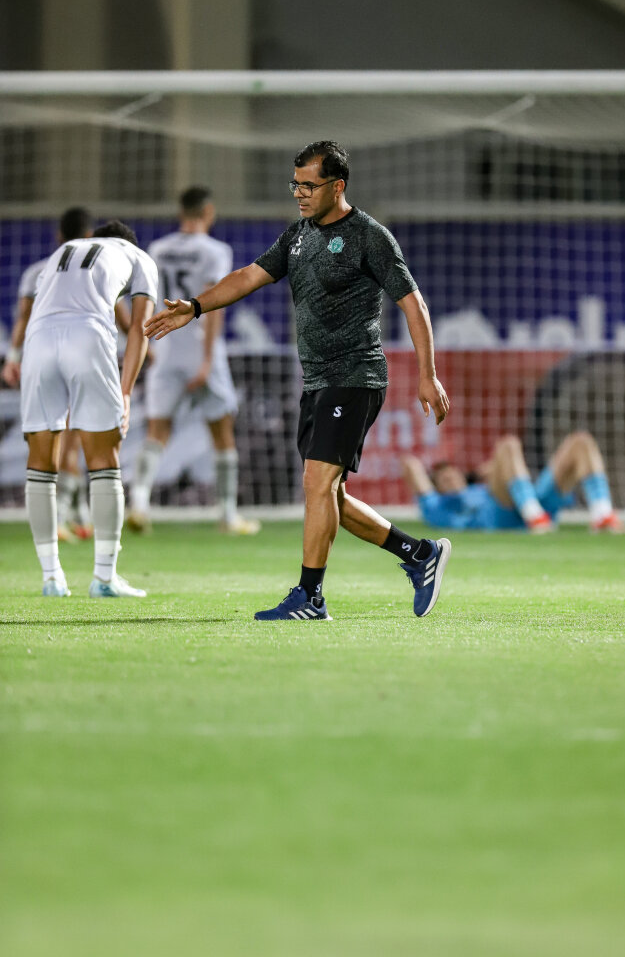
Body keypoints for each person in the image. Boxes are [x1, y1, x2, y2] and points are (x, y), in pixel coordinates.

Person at [145, 140, 451, 621]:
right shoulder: (298, 236)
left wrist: (427, 376)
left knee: (316, 482)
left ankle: (310, 597)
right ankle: (419, 554)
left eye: (310, 185)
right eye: (296, 185)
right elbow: (248, 276)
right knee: (330, 495)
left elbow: (414, 305)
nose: (300, 194)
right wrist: (196, 306)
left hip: (356, 375)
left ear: (337, 185)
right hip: (316, 381)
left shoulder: (369, 236)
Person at [21, 220, 157, 597]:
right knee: (103, 458)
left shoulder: (61, 252)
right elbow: (139, 327)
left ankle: (51, 577)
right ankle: (104, 577)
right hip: (88, 335)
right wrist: (125, 392)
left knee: (40, 461)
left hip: (38, 339)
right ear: (127, 241)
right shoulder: (137, 256)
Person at [126, 186, 259, 535]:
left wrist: (148, 345)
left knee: (157, 431)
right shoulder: (215, 251)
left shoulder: (158, 249)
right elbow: (213, 305)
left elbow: (147, 299)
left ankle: (139, 504)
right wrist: (207, 360)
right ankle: (228, 515)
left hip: (166, 349)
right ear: (208, 212)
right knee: (222, 432)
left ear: (180, 212)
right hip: (202, 353)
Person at [2, 206, 130, 542]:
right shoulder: (97, 269)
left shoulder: (37, 271)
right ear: (90, 236)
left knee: (49, 438)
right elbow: (124, 320)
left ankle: (74, 515)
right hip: (84, 357)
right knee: (77, 440)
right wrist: (146, 347)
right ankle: (65, 516)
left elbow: (23, 318)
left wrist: (12, 358)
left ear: (59, 235)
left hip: (40, 358)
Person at [403, 433, 625, 533]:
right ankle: (535, 519)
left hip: (530, 500)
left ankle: (602, 516)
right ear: (437, 489)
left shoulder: (478, 488)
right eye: (445, 479)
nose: (451, 478)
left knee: (580, 442)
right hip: (500, 513)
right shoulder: (438, 505)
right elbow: (410, 465)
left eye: (454, 474)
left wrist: (481, 474)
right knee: (508, 444)